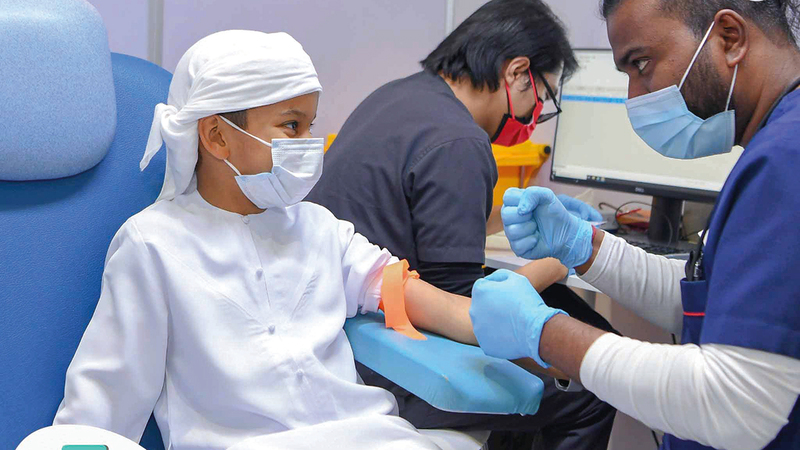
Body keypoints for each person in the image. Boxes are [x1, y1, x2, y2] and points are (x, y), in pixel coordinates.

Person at [51, 30, 562, 450]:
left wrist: (533, 310)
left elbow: (426, 302)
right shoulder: (152, 246)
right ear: (216, 136)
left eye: (309, 125)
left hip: (370, 436)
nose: (308, 144)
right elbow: (105, 400)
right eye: (291, 126)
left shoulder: (320, 229)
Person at [470, 0, 800, 449]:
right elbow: (709, 297)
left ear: (729, 38)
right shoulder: (775, 146)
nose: (633, 97)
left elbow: (735, 401)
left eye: (641, 64)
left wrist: (542, 332)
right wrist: (585, 246)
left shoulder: (786, 160)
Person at [307, 1, 616, 448]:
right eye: (542, 96)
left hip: (344, 333)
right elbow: (468, 310)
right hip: (391, 362)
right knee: (593, 390)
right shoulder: (459, 140)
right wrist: (565, 255)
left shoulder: (402, 96)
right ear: (517, 73)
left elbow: (416, 215)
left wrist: (511, 218)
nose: (535, 114)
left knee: (560, 315)